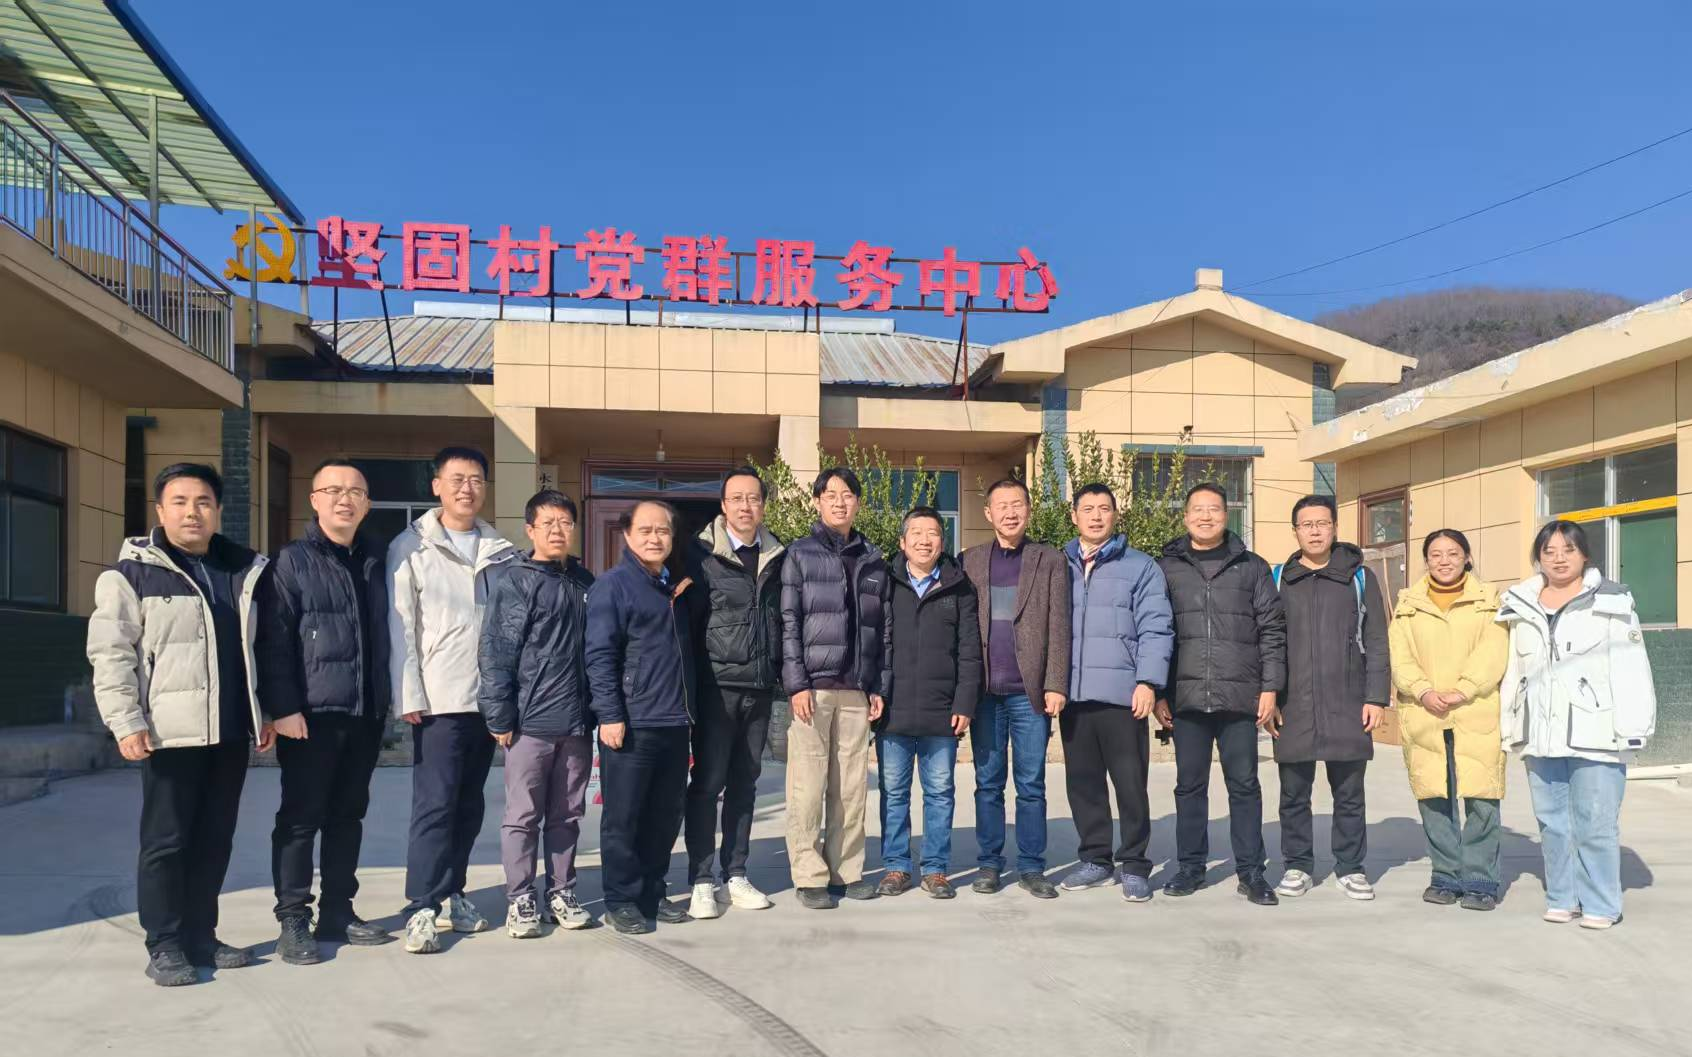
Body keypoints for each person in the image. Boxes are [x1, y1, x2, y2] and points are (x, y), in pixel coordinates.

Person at [86, 463, 274, 986]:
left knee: (215, 839)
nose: (193, 512)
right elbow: (111, 653)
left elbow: (257, 650)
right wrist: (126, 721)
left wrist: (262, 712)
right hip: (170, 733)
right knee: (167, 842)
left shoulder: (240, 571)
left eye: (203, 502)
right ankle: (164, 944)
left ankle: (200, 936)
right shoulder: (132, 575)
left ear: (218, 510)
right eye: (180, 501)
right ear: (160, 510)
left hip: (229, 731)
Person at [255, 459, 393, 965]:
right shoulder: (291, 561)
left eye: (355, 491)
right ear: (314, 500)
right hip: (311, 716)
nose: (344, 499)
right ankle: (293, 918)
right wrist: (283, 708)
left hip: (365, 711)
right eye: (333, 490)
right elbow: (273, 641)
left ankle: (338, 910)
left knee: (348, 816)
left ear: (367, 504)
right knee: (300, 818)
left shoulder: (378, 559)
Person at [388, 446, 518, 953]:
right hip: (439, 698)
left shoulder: (500, 550)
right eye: (457, 478)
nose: (468, 488)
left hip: (487, 698)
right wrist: (409, 692)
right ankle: (422, 905)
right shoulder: (412, 547)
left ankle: (454, 892)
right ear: (437, 486)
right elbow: (401, 624)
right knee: (435, 805)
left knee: (468, 804)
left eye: (477, 479)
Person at [1498, 520, 1657, 929]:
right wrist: (1509, 725)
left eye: (1568, 550)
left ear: (1584, 555)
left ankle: (1602, 903)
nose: (1558, 558)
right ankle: (1562, 897)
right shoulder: (1519, 604)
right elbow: (1514, 672)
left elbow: (1631, 667)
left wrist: (1633, 728)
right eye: (1549, 551)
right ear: (1538, 557)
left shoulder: (1612, 601)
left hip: (1596, 731)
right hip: (1540, 733)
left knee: (1595, 823)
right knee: (1552, 823)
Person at [1155, 482, 1286, 907]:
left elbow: (1272, 630)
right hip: (1186, 696)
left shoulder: (1251, 566)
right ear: (1185, 516)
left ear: (1227, 515)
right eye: (1198, 509)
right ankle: (1190, 867)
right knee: (1189, 786)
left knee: (1244, 785)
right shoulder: (1166, 567)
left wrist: (1270, 688)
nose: (1205, 516)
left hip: (1239, 696)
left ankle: (1251, 871)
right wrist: (1158, 692)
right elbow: (1155, 632)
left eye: (1214, 509)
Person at [479, 490, 596, 938]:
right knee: (523, 816)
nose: (557, 530)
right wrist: (500, 716)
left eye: (565, 522)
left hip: (577, 722)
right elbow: (496, 651)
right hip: (530, 724)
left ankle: (561, 892)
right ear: (530, 530)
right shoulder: (516, 581)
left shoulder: (584, 581)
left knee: (567, 815)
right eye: (548, 523)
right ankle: (521, 898)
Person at [585, 500, 701, 935]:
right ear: (628, 535)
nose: (655, 538)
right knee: (624, 817)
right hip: (632, 723)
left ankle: (653, 891)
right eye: (646, 530)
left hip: (674, 721)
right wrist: (610, 714)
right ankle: (621, 899)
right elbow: (599, 655)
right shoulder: (613, 586)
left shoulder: (674, 586)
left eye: (663, 531)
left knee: (664, 816)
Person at [1267, 495, 1390, 901]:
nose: (1315, 531)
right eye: (1306, 524)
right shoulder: (1279, 578)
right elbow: (1267, 641)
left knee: (1349, 794)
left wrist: (1376, 696)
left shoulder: (1359, 577)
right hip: (1293, 704)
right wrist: (1269, 695)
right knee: (1293, 795)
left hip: (1348, 701)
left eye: (1322, 523)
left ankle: (1351, 867)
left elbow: (1376, 639)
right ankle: (1298, 865)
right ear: (1295, 531)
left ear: (1335, 528)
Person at [1057, 483, 1175, 902]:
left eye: (1104, 508)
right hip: (1073, 695)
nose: (1095, 516)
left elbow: (1156, 626)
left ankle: (1135, 864)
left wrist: (1148, 682)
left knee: (1129, 783)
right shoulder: (1059, 564)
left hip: (1123, 695)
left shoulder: (1140, 566)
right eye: (1087, 509)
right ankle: (1095, 860)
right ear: (1073, 516)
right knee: (1083, 783)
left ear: (1115, 514)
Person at [780, 467, 890, 910]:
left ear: (858, 502)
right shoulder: (799, 554)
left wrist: (877, 685)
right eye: (830, 495)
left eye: (847, 495)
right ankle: (809, 875)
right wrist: (796, 683)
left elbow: (883, 630)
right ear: (818, 502)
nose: (840, 502)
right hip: (813, 689)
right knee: (807, 785)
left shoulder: (873, 558)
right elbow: (789, 622)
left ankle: (846, 870)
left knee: (850, 787)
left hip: (856, 689)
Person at [960, 478, 1071, 899]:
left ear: (1029, 509)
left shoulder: (1050, 560)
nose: (1010, 512)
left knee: (1031, 784)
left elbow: (1059, 626)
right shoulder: (969, 560)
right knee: (988, 783)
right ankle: (989, 863)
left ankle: (1031, 866)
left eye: (1017, 504)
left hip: (1030, 693)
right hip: (985, 694)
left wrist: (1055, 683)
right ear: (988, 513)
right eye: (1002, 505)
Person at [684, 467, 786, 920]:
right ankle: (701, 879)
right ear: (723, 506)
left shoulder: (778, 555)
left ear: (763, 505)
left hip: (759, 687)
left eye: (754, 498)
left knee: (746, 783)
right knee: (708, 784)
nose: (746, 506)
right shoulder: (700, 555)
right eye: (737, 498)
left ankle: (736, 873)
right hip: (716, 688)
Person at [1388, 528, 1509, 911]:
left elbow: (1495, 650)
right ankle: (1445, 875)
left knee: (1482, 797)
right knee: (1434, 797)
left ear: (1467, 557)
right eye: (1436, 554)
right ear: (1426, 560)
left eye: (1453, 553)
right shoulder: (1407, 605)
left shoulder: (1489, 602)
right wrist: (1423, 690)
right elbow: (1399, 656)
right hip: (1425, 712)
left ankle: (1480, 880)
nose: (1444, 561)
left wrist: (1464, 689)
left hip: (1476, 710)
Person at [876, 507, 982, 899]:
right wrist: (874, 692)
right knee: (894, 794)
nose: (925, 540)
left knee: (939, 793)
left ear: (943, 540)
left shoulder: (959, 586)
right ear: (902, 542)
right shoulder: (885, 583)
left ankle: (936, 869)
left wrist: (965, 703)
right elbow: (873, 643)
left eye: (933, 533)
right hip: (894, 710)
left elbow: (970, 651)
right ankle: (896, 866)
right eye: (916, 533)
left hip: (942, 712)